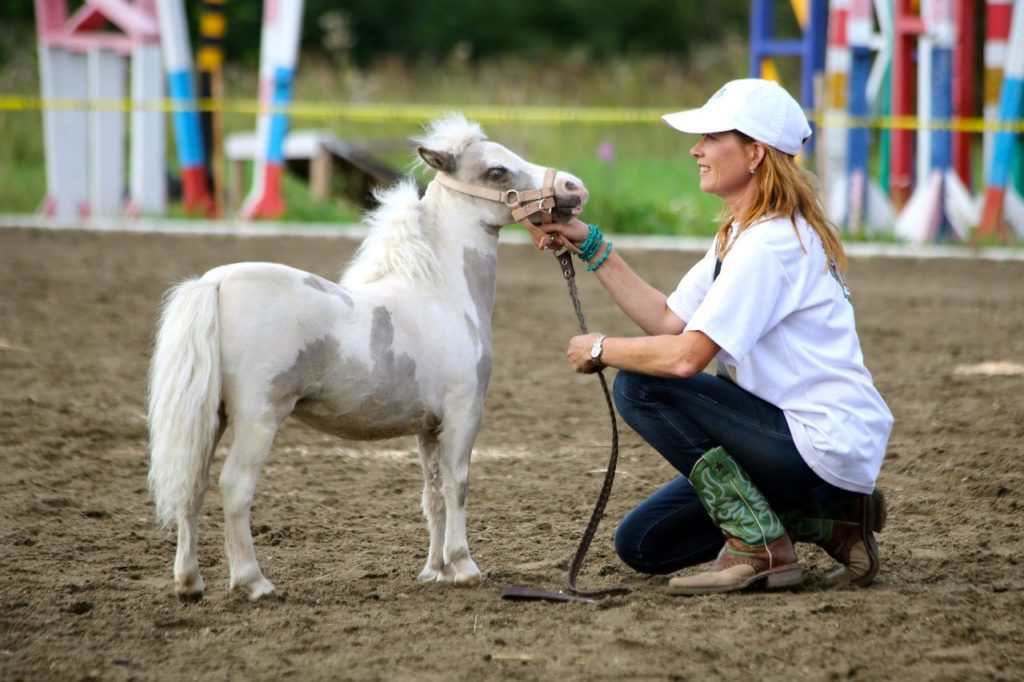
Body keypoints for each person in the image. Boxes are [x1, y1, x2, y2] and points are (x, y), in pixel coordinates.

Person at [541, 78, 893, 595]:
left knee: (641, 386)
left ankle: (762, 547)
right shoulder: (745, 232)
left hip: (815, 443)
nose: (696, 149)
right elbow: (668, 321)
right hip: (806, 444)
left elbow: (685, 358)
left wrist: (600, 349)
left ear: (754, 153)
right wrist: (589, 243)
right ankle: (831, 519)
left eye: (711, 137)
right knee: (643, 545)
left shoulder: (767, 245)